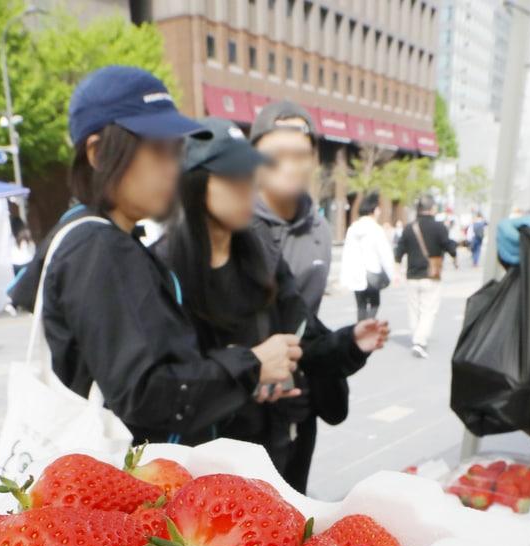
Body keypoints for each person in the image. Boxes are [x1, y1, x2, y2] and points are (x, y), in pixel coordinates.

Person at [8, 66, 301, 445]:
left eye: (176, 151)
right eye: (157, 150)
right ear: (98, 153)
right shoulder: (101, 249)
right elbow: (146, 396)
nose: (173, 168)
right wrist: (252, 365)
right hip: (125, 480)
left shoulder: (92, 235)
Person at [158, 118, 388, 488]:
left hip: (278, 445)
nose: (248, 187)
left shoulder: (261, 251)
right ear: (195, 184)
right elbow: (164, 382)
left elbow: (302, 331)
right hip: (205, 463)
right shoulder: (163, 266)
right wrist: (252, 370)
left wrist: (349, 342)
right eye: (233, 176)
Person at [248, 99, 333, 490]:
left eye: (301, 151)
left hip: (298, 400)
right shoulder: (228, 224)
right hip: (241, 403)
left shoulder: (320, 231)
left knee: (293, 509)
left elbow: (308, 316)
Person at [395, 195, 456, 358]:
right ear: (432, 208)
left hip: (412, 275)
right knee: (428, 309)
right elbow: (449, 245)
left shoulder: (408, 228)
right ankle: (419, 341)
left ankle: (416, 336)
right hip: (431, 275)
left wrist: (397, 270)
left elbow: (399, 251)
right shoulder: (439, 227)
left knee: (413, 309)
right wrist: (455, 255)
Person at [340, 191, 398, 320]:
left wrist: (344, 277)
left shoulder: (353, 229)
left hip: (356, 273)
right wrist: (392, 273)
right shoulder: (375, 229)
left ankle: (360, 331)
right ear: (374, 210)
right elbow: (385, 254)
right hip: (372, 272)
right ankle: (368, 329)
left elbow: (347, 253)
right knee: (374, 304)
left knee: (360, 306)